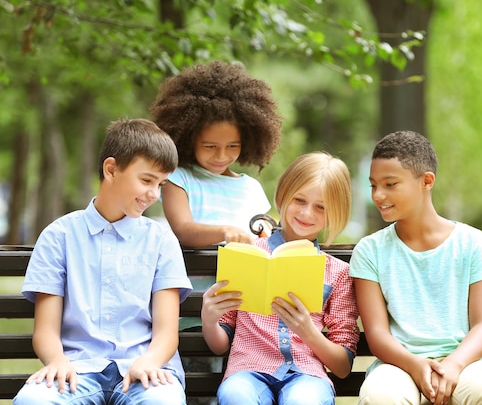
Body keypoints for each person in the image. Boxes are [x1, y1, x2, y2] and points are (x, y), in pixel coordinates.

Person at [13, 119, 193, 405]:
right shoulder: (59, 236)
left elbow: (167, 332)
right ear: (111, 169)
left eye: (160, 184)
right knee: (32, 401)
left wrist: (150, 361)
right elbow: (46, 328)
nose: (154, 194)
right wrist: (56, 360)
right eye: (146, 180)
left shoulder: (161, 241)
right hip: (76, 371)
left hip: (145, 372)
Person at [349, 131, 482, 405]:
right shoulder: (370, 251)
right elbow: (377, 335)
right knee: (380, 397)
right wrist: (416, 365)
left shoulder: (474, 243)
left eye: (390, 184)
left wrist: (453, 365)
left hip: (467, 362)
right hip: (399, 365)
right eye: (373, 185)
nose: (378, 195)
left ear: (426, 181)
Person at [201, 152, 361, 405]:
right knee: (236, 396)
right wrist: (210, 321)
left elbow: (342, 367)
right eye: (299, 200)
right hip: (247, 372)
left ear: (335, 213)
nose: (307, 213)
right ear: (284, 194)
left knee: (304, 400)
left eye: (321, 207)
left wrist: (308, 332)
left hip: (306, 377)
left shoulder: (336, 272)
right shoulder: (248, 254)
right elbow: (219, 346)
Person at [150, 60, 282, 249]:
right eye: (210, 146)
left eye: (232, 146)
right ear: (189, 139)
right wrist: (224, 232)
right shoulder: (178, 179)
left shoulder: (251, 189)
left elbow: (260, 237)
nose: (221, 156)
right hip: (191, 278)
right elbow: (184, 231)